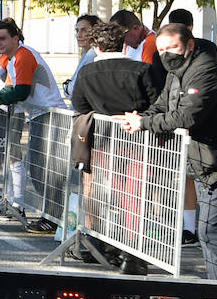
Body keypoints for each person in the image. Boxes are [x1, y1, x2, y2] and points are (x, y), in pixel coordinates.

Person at [122, 23, 217, 281]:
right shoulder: (176, 72)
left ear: (189, 45)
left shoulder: (206, 71)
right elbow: (162, 105)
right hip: (201, 162)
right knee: (216, 233)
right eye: (162, 49)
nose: (167, 54)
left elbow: (187, 116)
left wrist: (143, 124)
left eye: (173, 47)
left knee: (212, 231)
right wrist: (139, 117)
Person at [67, 20, 160, 272]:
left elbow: (80, 106)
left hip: (103, 141)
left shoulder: (86, 73)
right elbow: (157, 104)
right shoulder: (142, 70)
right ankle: (131, 250)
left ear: (97, 46)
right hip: (138, 141)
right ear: (122, 42)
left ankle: (98, 244)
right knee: (135, 196)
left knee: (103, 193)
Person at [0, 19, 68, 234]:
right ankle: (51, 216)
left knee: (47, 171)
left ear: (16, 38)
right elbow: (8, 88)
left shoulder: (24, 56)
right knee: (39, 169)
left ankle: (54, 218)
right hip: (38, 115)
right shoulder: (11, 58)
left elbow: (21, 91)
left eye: (3, 38)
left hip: (50, 116)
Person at [63, 14, 100, 101]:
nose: (79, 35)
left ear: (95, 31)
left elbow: (73, 90)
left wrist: (67, 87)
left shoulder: (93, 56)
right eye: (77, 30)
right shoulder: (86, 56)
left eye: (84, 30)